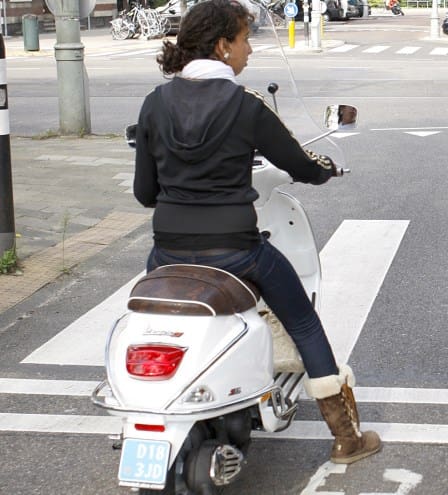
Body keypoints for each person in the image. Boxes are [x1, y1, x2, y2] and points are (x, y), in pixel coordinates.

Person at [132, 0, 380, 464]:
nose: (249, 50)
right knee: (303, 321)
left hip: (168, 252)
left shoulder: (154, 104)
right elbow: (299, 164)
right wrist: (324, 170)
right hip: (236, 250)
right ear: (223, 46)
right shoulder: (246, 106)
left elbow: (145, 192)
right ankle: (346, 437)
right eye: (245, 40)